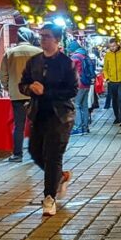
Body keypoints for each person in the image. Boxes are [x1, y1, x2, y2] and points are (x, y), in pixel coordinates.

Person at [19, 24, 78, 217]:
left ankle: (49, 198)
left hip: (60, 116)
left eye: (47, 36)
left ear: (57, 40)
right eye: (41, 36)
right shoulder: (34, 61)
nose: (43, 39)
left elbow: (72, 90)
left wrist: (47, 91)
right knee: (35, 152)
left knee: (53, 156)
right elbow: (23, 84)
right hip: (39, 114)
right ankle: (59, 177)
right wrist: (30, 89)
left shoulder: (65, 63)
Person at [0, 28, 41, 162]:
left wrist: (9, 88)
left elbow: (3, 75)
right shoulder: (39, 52)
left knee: (19, 125)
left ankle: (17, 154)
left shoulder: (10, 53)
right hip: (36, 94)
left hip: (17, 94)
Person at [103, 38, 121, 126]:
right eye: (111, 46)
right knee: (114, 100)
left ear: (117, 44)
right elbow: (105, 69)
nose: (113, 48)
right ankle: (116, 117)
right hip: (111, 81)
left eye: (114, 46)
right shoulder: (107, 55)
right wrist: (107, 78)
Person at [69, 43, 95, 135]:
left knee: (76, 105)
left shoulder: (75, 57)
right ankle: (85, 127)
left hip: (79, 84)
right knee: (84, 106)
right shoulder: (85, 55)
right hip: (86, 84)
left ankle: (78, 128)